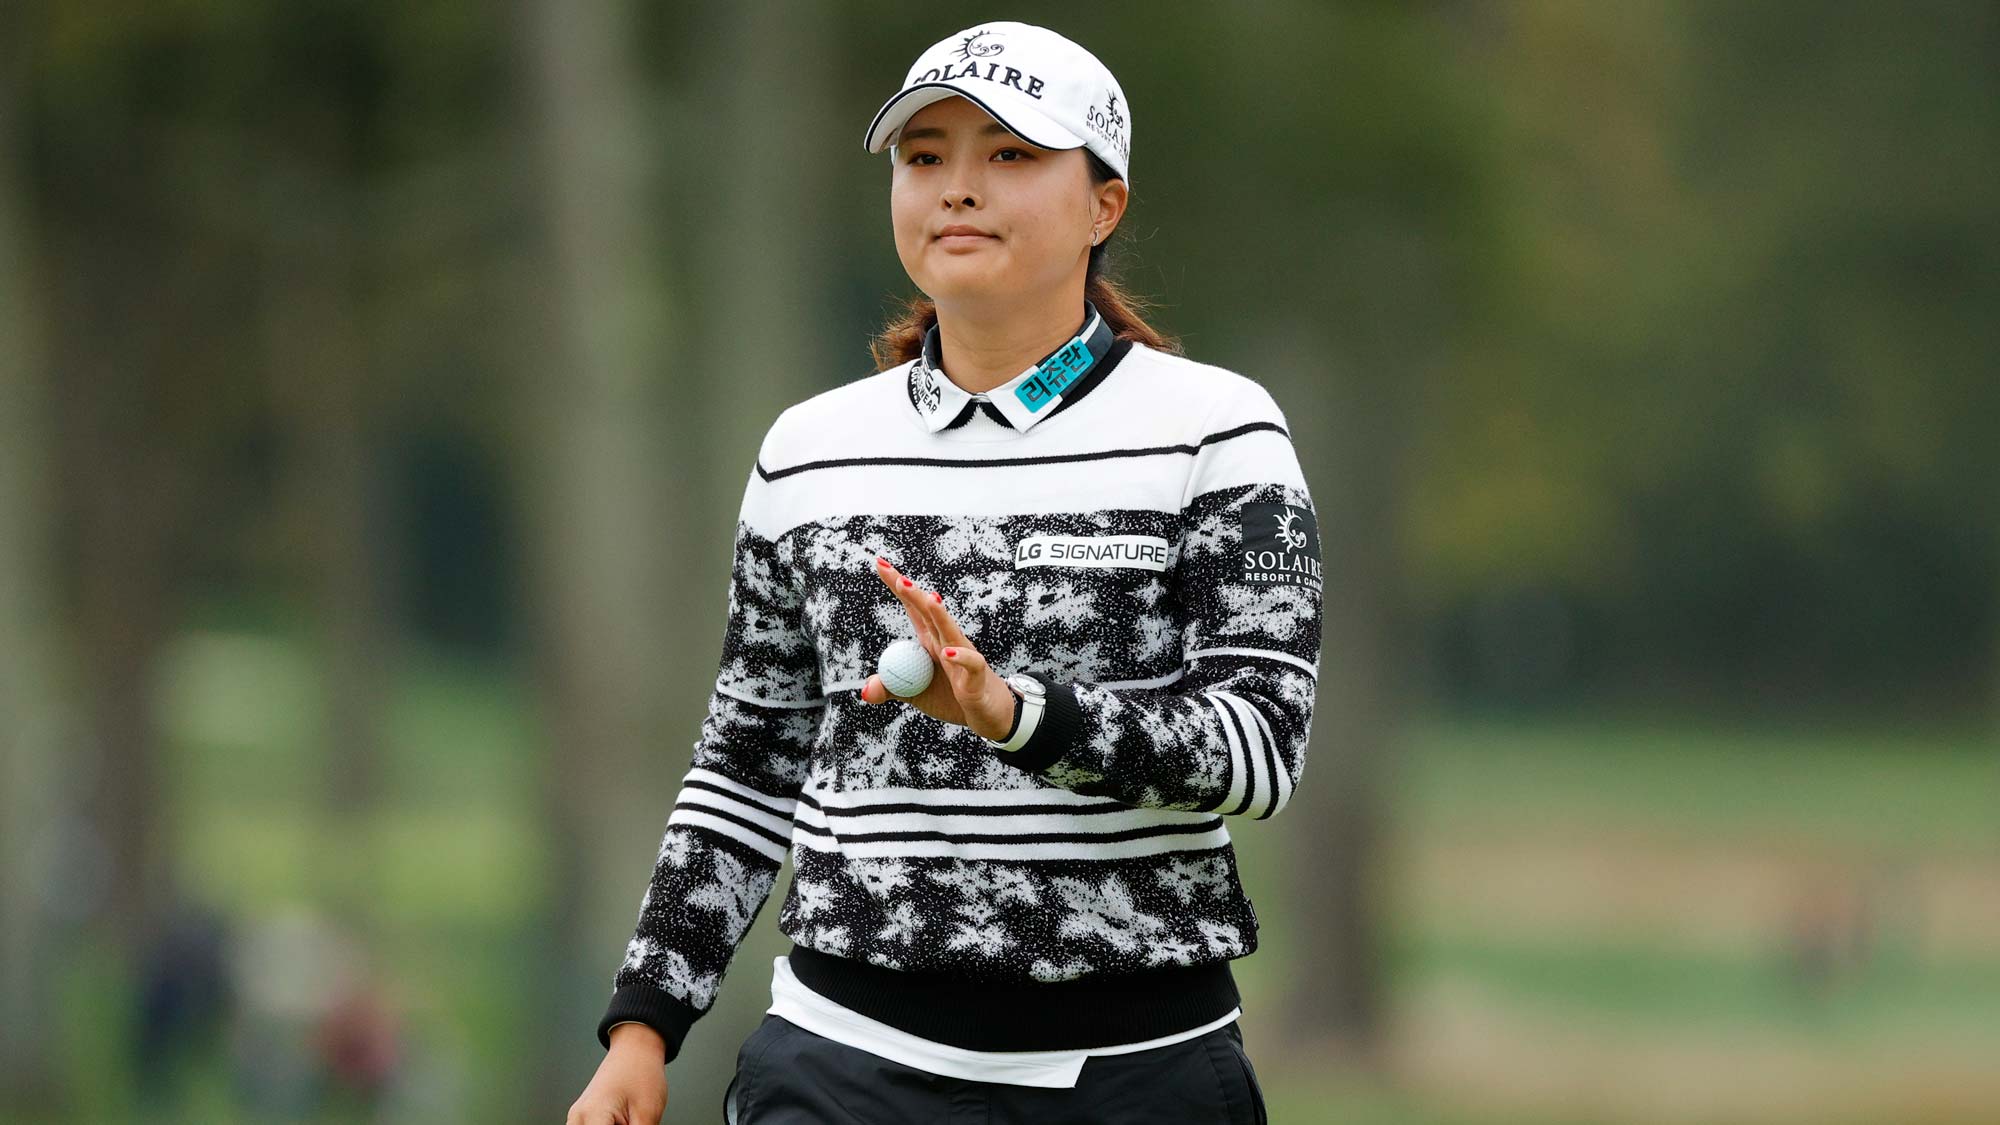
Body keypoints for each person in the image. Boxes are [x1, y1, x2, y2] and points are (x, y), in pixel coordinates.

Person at [567, 19, 1315, 1125]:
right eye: (925, 157)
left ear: (1103, 205)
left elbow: (1257, 751)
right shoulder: (807, 451)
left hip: (1133, 1075)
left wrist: (1018, 716)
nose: (957, 187)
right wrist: (644, 1026)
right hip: (838, 1067)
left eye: (1009, 154)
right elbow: (746, 763)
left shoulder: (1216, 431)